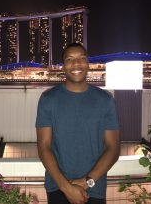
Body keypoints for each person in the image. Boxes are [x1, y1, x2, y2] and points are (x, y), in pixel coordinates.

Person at [35, 43, 120, 204]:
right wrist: (66, 188)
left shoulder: (105, 100)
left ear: (88, 64)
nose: (76, 63)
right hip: (58, 188)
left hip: (94, 189)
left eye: (81, 58)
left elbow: (113, 147)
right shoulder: (48, 100)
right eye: (70, 59)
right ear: (63, 66)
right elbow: (43, 147)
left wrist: (87, 181)